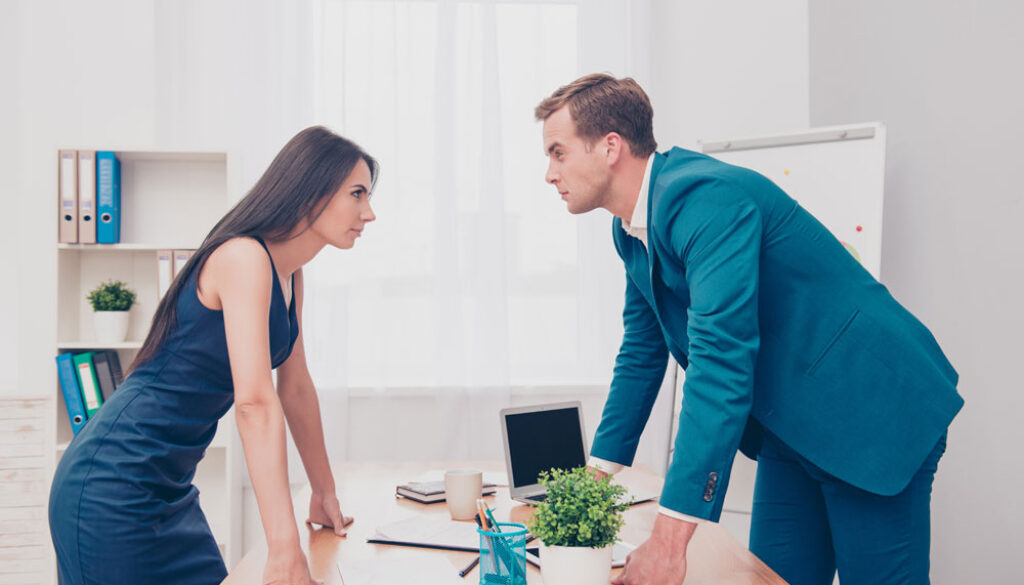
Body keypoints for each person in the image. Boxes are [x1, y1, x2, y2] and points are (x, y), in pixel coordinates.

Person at [534, 74, 963, 585]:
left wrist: (670, 543)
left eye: (558, 153)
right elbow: (642, 354)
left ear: (610, 147)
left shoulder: (705, 200)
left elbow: (719, 361)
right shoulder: (630, 229)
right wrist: (594, 480)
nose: (549, 173)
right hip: (793, 425)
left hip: (870, 412)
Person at [49, 126, 378, 585]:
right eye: (357, 194)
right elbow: (254, 404)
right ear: (312, 190)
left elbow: (296, 387)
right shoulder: (243, 258)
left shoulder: (290, 274)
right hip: (113, 484)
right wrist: (283, 548)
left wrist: (324, 491)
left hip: (170, 487)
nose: (370, 212)